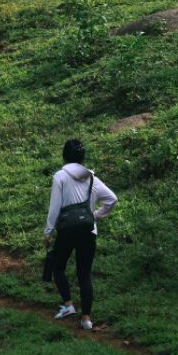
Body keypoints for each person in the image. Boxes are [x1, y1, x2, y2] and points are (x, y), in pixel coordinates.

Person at [44, 139, 117, 330]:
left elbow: (54, 208)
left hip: (67, 230)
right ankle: (86, 320)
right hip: (88, 230)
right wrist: (95, 215)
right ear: (83, 157)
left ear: (64, 155)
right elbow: (112, 199)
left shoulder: (60, 176)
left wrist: (48, 231)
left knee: (57, 267)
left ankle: (68, 305)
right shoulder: (91, 177)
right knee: (84, 275)